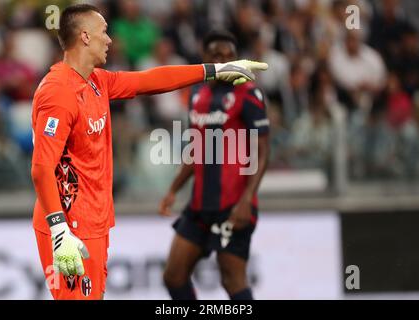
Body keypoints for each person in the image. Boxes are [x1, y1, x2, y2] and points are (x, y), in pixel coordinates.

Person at [31, 4, 267, 300]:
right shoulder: (58, 92)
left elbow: (149, 80)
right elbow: (41, 167)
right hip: (69, 224)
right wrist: (59, 229)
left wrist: (215, 71)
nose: (110, 39)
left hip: (94, 220)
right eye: (104, 31)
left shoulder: (96, 82)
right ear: (85, 37)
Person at [158, 30, 270, 300]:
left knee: (232, 280)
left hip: (233, 206)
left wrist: (247, 199)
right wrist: (174, 188)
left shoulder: (249, 93)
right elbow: (197, 148)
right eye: (217, 55)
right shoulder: (197, 92)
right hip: (199, 206)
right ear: (205, 57)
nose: (224, 60)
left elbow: (262, 150)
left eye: (229, 55)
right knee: (173, 276)